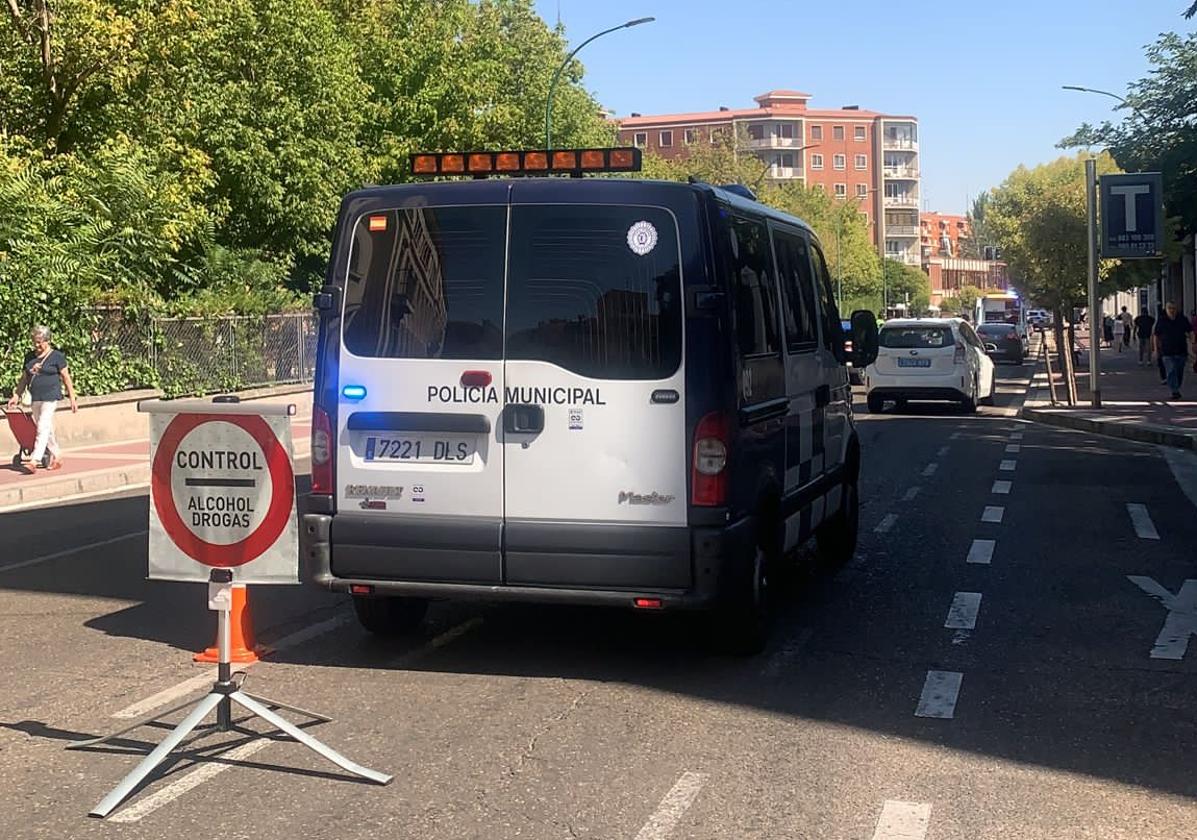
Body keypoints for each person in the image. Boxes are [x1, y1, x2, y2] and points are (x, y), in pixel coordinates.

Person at [5, 326, 77, 472]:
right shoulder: (29, 357)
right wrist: (16, 395)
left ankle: (34, 459)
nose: (36, 345)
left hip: (50, 397)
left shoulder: (57, 356)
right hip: (35, 397)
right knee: (45, 428)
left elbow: (66, 377)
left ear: (47, 340)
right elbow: (24, 379)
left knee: (42, 426)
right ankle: (57, 455)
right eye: (34, 342)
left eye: (39, 342)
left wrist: (72, 398)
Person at [1154, 302, 1193, 400]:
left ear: (1177, 309)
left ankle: (1176, 386)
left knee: (1179, 372)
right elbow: (1156, 335)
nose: (1172, 310)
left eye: (1174, 308)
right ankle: (1174, 391)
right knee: (1171, 370)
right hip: (1166, 351)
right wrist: (1155, 349)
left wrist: (1193, 342)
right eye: (1170, 308)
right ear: (1166, 309)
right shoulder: (1162, 320)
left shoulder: (1182, 319)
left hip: (1181, 350)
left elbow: (1190, 331)